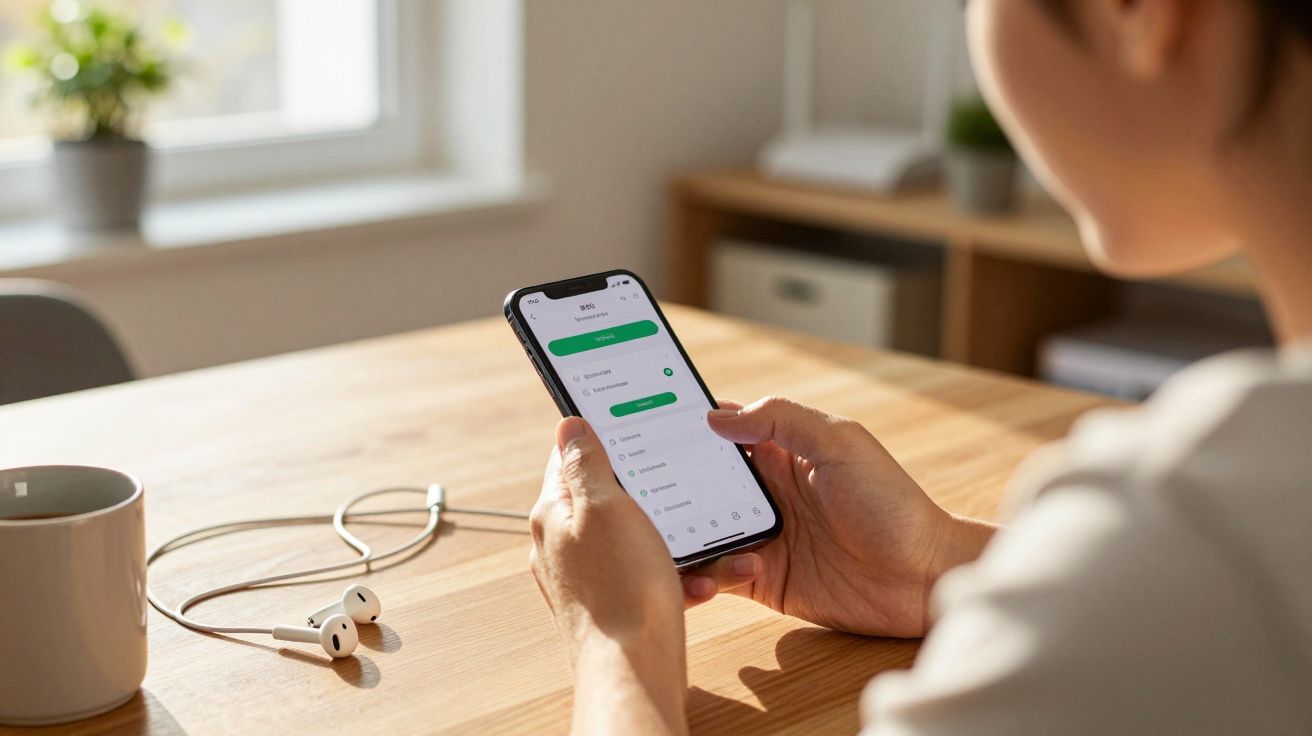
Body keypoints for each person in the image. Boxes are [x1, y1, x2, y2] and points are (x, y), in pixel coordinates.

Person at [527, 1, 1312, 733]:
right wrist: (936, 566)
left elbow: (1183, 584)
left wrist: (618, 640)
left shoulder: (1192, 519)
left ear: (1140, 12)